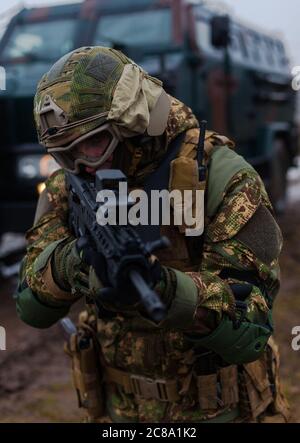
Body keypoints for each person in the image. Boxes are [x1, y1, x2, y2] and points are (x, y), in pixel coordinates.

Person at [15, 46, 289, 423]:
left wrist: (167, 289)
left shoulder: (221, 176)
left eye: (94, 144)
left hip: (219, 411)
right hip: (116, 411)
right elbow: (29, 306)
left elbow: (251, 328)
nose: (82, 165)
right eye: (66, 153)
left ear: (132, 119)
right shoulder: (70, 184)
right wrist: (74, 263)